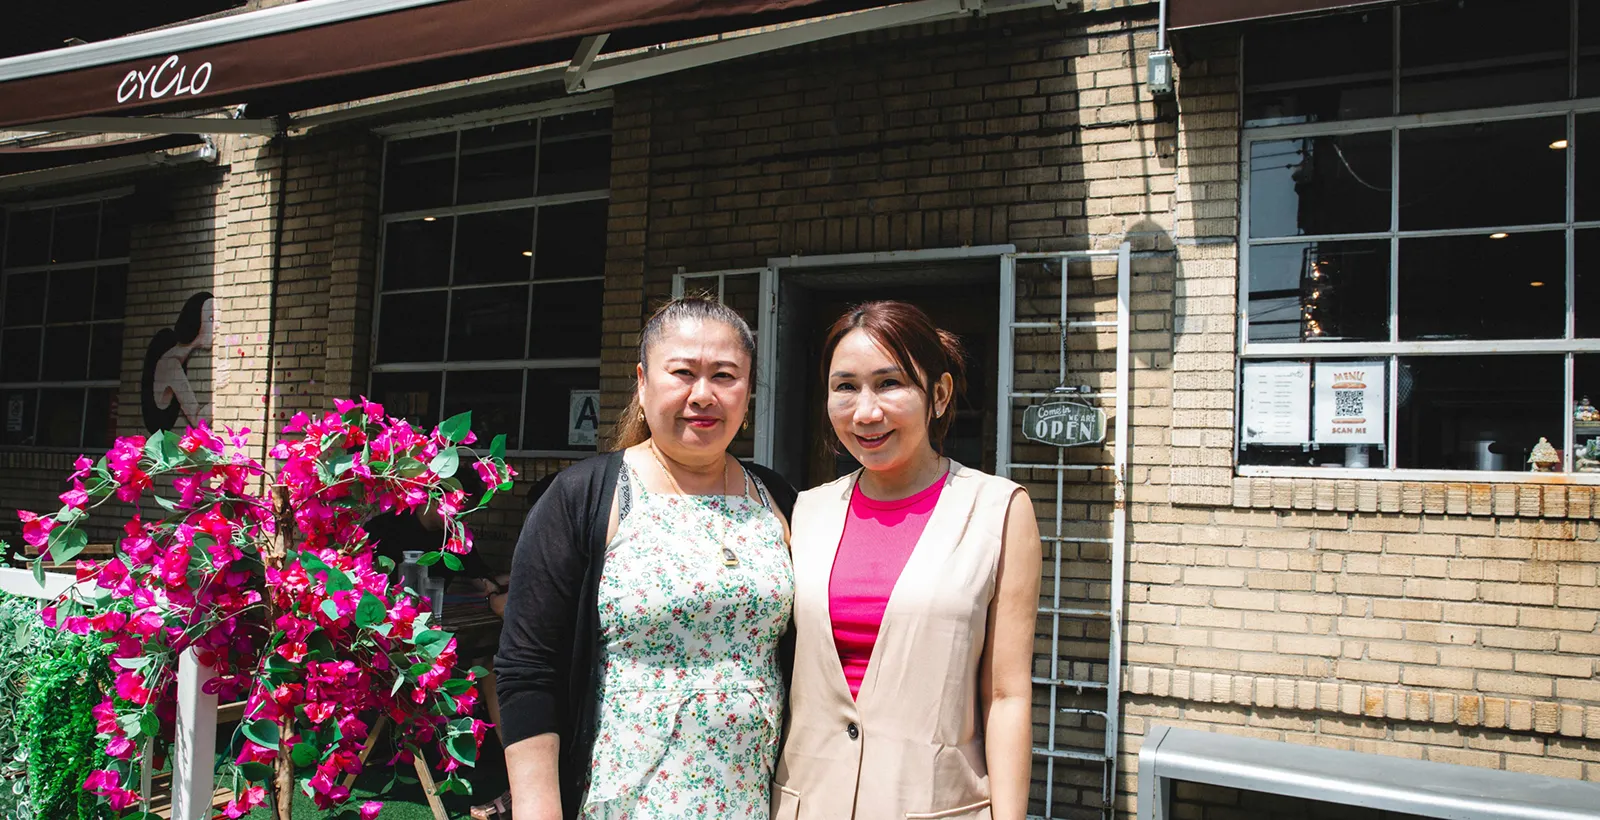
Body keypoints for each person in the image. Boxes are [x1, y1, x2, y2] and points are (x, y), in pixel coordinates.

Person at [496, 297, 797, 820]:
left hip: (758, 798)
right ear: (642, 380)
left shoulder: (775, 497)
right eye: (682, 372)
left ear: (748, 389)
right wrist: (537, 808)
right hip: (625, 801)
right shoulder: (582, 497)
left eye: (725, 376)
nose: (702, 395)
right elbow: (529, 669)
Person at [772, 301, 1041, 820]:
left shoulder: (998, 510)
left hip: (933, 804)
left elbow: (1007, 695)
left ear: (937, 395)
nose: (865, 412)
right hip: (807, 803)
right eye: (845, 386)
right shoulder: (806, 511)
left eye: (890, 383)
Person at [141, 292, 215, 431]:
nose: (217, 326)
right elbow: (197, 421)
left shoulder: (178, 359)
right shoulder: (171, 364)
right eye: (211, 319)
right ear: (195, 321)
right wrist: (220, 392)